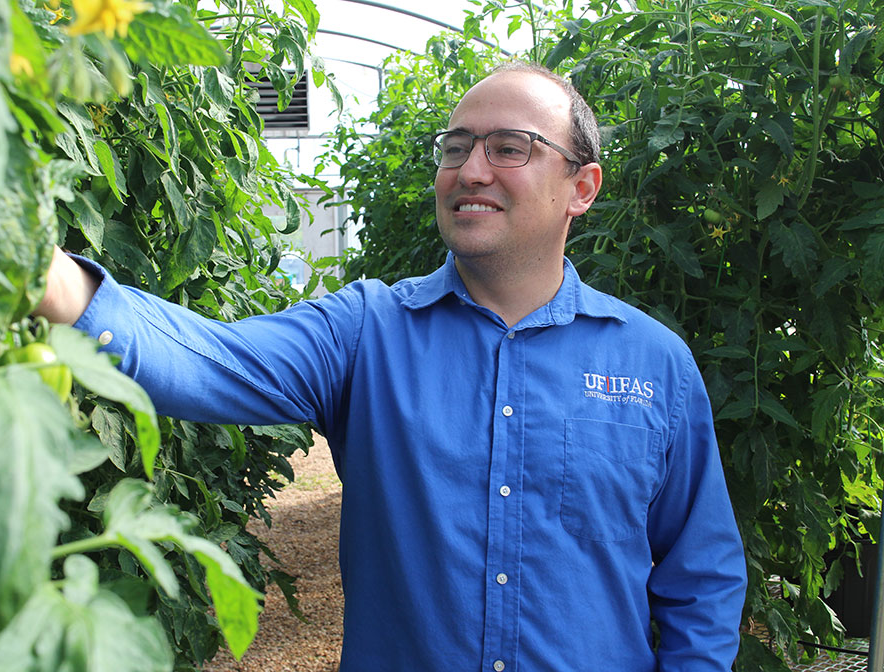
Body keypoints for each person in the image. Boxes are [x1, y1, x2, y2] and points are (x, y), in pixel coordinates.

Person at [36, 62, 748, 671]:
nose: (469, 170)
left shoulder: (653, 363)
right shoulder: (369, 331)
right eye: (456, 147)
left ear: (581, 188)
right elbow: (212, 360)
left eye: (509, 148)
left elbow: (702, 575)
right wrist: (46, 275)